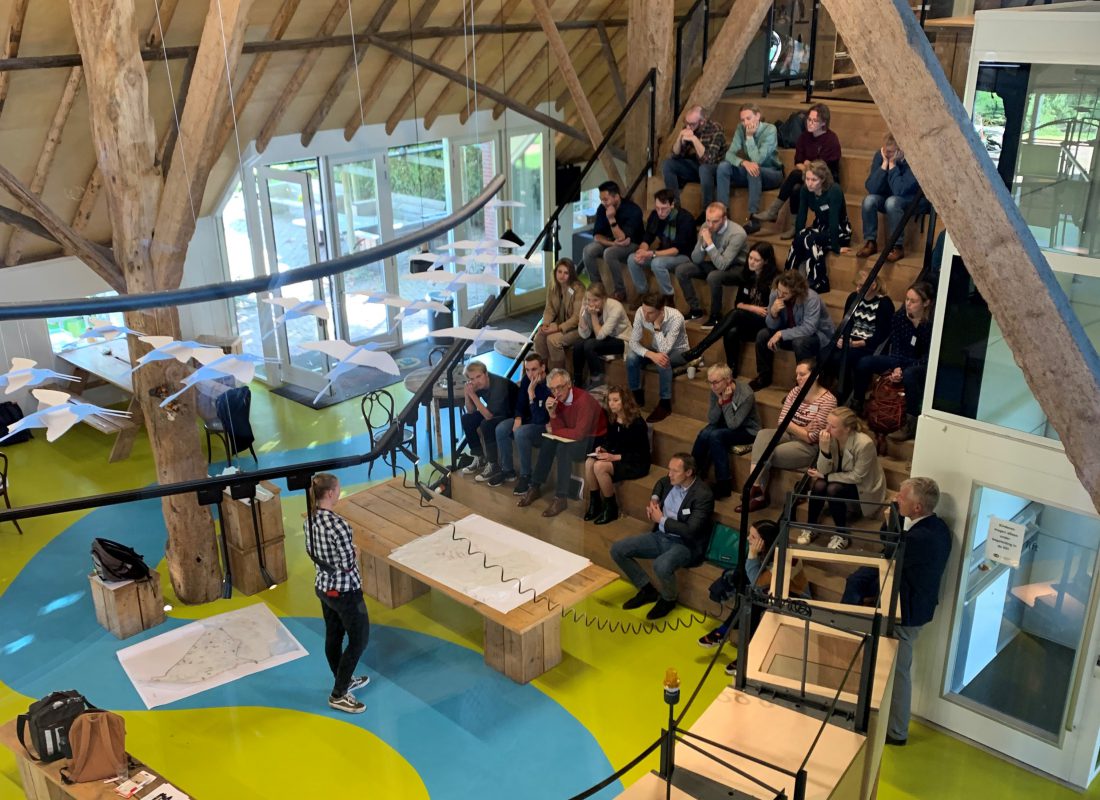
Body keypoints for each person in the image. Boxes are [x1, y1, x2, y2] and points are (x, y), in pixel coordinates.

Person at [841, 477, 951, 746]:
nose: (896, 499)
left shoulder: (923, 538)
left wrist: (891, 522)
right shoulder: (934, 528)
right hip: (908, 604)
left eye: (902, 497)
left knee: (899, 672)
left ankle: (898, 731)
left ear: (917, 508)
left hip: (907, 612)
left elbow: (893, 549)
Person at [610, 453, 715, 620]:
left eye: (675, 471)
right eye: (669, 469)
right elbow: (660, 483)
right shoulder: (670, 481)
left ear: (688, 473)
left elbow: (691, 530)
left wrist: (662, 520)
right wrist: (654, 500)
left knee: (661, 565)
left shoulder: (703, 495)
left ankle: (668, 599)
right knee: (618, 549)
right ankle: (647, 590)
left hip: (685, 544)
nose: (669, 474)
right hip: (660, 536)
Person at [698, 520, 810, 660]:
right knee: (748, 597)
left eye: (753, 537)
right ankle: (734, 640)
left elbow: (758, 583)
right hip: (770, 593)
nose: (747, 539)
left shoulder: (787, 560)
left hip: (793, 600)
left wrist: (752, 555)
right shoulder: (765, 552)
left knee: (753, 603)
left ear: (764, 541)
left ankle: (745, 652)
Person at [305, 473, 370, 714]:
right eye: (338, 489)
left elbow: (312, 551)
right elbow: (347, 563)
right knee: (359, 638)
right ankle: (339, 693)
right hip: (346, 591)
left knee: (334, 635)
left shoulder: (309, 520)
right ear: (331, 493)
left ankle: (341, 678)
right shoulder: (339, 525)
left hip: (323, 587)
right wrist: (356, 553)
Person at [738, 358, 836, 513]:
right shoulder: (795, 391)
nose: (798, 378)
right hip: (788, 435)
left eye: (802, 374)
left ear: (815, 376)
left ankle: (756, 494)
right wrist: (803, 428)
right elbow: (781, 421)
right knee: (763, 435)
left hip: (808, 447)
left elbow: (812, 437)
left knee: (767, 452)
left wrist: (793, 426)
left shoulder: (828, 400)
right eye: (797, 374)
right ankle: (755, 486)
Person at [517, 368, 607, 517]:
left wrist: (553, 430)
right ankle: (535, 486)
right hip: (572, 434)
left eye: (559, 387)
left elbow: (579, 434)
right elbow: (559, 429)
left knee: (562, 448)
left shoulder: (584, 400)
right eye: (552, 389)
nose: (556, 392)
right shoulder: (556, 400)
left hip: (594, 439)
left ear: (569, 385)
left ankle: (561, 497)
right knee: (548, 441)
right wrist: (552, 414)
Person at [851, 281, 934, 441]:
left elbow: (928, 356)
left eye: (913, 301)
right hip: (901, 359)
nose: (908, 304)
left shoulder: (931, 325)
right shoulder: (900, 317)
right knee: (864, 363)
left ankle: (910, 423)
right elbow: (896, 347)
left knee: (910, 374)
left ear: (926, 303)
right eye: (907, 299)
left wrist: (902, 370)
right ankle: (857, 405)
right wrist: (896, 366)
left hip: (921, 365)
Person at [681, 242, 779, 376]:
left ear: (766, 261)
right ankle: (731, 370)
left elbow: (769, 310)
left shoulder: (774, 279)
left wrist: (748, 308)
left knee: (736, 315)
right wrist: (753, 308)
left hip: (765, 322)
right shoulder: (747, 275)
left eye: (757, 260)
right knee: (731, 330)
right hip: (750, 317)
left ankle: (699, 348)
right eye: (750, 258)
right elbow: (738, 303)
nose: (752, 262)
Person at [803, 407, 886, 550]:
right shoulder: (831, 439)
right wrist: (824, 450)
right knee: (819, 485)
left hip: (863, 487)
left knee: (832, 488)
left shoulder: (864, 444)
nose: (827, 429)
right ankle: (811, 526)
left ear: (847, 429)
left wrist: (825, 476)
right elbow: (823, 470)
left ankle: (842, 534)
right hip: (840, 479)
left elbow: (857, 476)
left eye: (833, 426)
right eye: (827, 424)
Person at [755, 103, 842, 237]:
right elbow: (798, 162)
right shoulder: (804, 137)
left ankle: (774, 211)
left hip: (825, 180)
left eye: (814, 121)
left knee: (796, 176)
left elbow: (823, 168)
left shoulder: (831, 140)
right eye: (808, 119)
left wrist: (808, 166)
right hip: (807, 178)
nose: (810, 123)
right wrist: (809, 166)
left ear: (823, 123)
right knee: (796, 189)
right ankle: (794, 226)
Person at [750, 269, 835, 391]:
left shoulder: (811, 298)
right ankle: (764, 376)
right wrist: (773, 314)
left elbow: (809, 328)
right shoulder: (775, 294)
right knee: (763, 335)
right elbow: (771, 326)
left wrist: (781, 333)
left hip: (817, 336)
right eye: (779, 290)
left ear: (796, 292)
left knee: (799, 342)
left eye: (785, 293)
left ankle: (802, 385)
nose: (780, 295)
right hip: (790, 332)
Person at [584, 385, 651, 525]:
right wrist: (602, 448)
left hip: (636, 463)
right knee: (589, 462)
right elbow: (610, 440)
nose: (611, 404)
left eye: (616, 400)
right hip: (618, 456)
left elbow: (642, 454)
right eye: (609, 400)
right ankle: (595, 503)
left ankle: (611, 507)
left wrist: (614, 457)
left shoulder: (637, 423)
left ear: (625, 402)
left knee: (600, 467)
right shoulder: (613, 418)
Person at [691, 364, 760, 499]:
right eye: (709, 382)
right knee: (705, 433)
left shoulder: (746, 394)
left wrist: (727, 401)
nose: (712, 386)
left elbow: (733, 424)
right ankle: (692, 473)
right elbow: (712, 419)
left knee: (716, 436)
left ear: (728, 380)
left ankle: (724, 484)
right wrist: (719, 403)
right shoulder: (715, 389)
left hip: (747, 430)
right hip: (725, 423)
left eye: (715, 382)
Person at [784, 159, 852, 294]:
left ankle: (818, 281)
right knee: (802, 237)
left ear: (822, 179)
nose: (809, 183)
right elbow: (801, 216)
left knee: (810, 240)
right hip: (820, 226)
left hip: (839, 229)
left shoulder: (834, 190)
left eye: (814, 180)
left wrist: (835, 246)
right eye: (807, 179)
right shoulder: (805, 190)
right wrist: (798, 236)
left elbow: (834, 220)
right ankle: (789, 276)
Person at [675, 201, 749, 323]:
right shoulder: (706, 226)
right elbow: (696, 259)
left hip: (737, 268)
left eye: (715, 221)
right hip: (717, 263)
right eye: (708, 220)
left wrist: (709, 243)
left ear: (724, 218)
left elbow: (723, 265)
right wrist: (703, 243)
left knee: (714, 276)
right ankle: (695, 310)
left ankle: (715, 316)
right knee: (682, 270)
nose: (710, 225)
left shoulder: (737, 233)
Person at [716, 103, 783, 235]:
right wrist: (743, 162)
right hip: (750, 171)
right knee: (723, 166)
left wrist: (750, 137)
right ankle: (722, 213)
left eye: (748, 118)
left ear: (758, 116)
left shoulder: (770, 130)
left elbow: (758, 160)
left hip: (772, 173)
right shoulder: (740, 128)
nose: (745, 123)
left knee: (754, 169)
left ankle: (754, 217)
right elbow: (729, 154)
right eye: (742, 119)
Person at [857, 132, 923, 263]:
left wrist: (892, 165)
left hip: (910, 200)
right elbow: (871, 188)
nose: (886, 154)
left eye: (891, 152)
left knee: (892, 202)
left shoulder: (913, 161)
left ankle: (897, 246)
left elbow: (900, 190)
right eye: (885, 150)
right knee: (869, 200)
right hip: (888, 197)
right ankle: (870, 241)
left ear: (901, 151)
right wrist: (883, 166)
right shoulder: (880, 156)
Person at [626, 291, 690, 423]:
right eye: (644, 311)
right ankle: (636, 394)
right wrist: (650, 354)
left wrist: (657, 327)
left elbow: (665, 350)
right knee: (631, 357)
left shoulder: (676, 317)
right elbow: (633, 342)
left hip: (679, 352)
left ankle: (665, 403)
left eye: (650, 313)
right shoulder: (641, 311)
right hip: (656, 349)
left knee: (662, 361)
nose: (645, 315)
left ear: (661, 311)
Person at [489, 353, 550, 491]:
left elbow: (541, 418)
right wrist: (518, 418)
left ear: (543, 367)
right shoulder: (526, 380)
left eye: (534, 369)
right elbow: (520, 404)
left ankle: (526, 476)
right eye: (527, 370)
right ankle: (508, 470)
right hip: (528, 421)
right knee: (501, 428)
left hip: (544, 426)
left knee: (521, 432)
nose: (530, 374)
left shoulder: (550, 384)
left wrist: (531, 395)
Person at [830, 268, 894, 399]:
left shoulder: (884, 303)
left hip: (869, 345)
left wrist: (855, 344)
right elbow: (846, 323)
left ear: (873, 285)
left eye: (861, 286)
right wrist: (841, 338)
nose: (858, 289)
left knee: (845, 358)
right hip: (851, 340)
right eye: (857, 285)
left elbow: (881, 335)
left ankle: (851, 395)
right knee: (827, 353)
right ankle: (841, 389)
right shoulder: (853, 297)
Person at [627, 189, 697, 302]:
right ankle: (643, 294)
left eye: (663, 208)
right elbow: (648, 237)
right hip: (662, 253)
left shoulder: (685, 219)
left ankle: (668, 297)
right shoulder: (655, 215)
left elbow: (676, 249)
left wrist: (652, 253)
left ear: (672, 204)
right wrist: (641, 252)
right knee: (632, 258)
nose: (660, 212)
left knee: (657, 263)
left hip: (683, 255)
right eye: (657, 208)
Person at [581, 180, 645, 300]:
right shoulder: (602, 208)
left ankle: (620, 291)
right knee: (588, 250)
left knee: (609, 253)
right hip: (611, 242)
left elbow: (622, 238)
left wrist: (611, 218)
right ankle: (597, 288)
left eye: (605, 199)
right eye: (601, 199)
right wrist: (611, 243)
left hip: (632, 243)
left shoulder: (633, 210)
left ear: (616, 196)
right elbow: (597, 236)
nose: (603, 203)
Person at [660, 104, 727, 211]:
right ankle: (675, 208)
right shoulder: (688, 127)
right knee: (668, 164)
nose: (688, 127)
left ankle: (707, 211)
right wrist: (679, 138)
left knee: (704, 169)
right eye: (686, 123)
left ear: (702, 122)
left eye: (692, 124)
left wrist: (694, 139)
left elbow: (709, 161)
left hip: (714, 170)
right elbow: (675, 155)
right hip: (696, 167)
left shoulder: (715, 129)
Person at [460, 361, 515, 481]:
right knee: (467, 419)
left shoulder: (498, 384)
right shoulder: (478, 385)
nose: (476, 381)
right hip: (497, 412)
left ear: (486, 374)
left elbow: (489, 416)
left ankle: (493, 464)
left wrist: (473, 396)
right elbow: (471, 411)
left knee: (487, 424)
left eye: (479, 376)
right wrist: (467, 394)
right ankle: (479, 456)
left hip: (513, 414)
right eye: (472, 379)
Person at [574, 282, 631, 388]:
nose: (591, 304)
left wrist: (593, 315)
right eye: (588, 300)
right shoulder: (587, 305)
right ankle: (577, 380)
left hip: (620, 339)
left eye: (595, 300)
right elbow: (584, 335)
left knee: (590, 345)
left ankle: (598, 381)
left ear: (604, 299)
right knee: (578, 344)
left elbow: (600, 336)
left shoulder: (615, 307)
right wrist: (581, 315)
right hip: (603, 336)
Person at [533, 258, 584, 371]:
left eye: (566, 273)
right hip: (560, 323)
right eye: (559, 272)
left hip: (577, 328)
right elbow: (549, 308)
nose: (562, 275)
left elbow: (576, 318)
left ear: (571, 274)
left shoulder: (578, 289)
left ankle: (558, 373)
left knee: (553, 340)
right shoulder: (553, 285)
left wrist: (558, 328)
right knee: (539, 337)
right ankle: (543, 370)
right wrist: (545, 323)